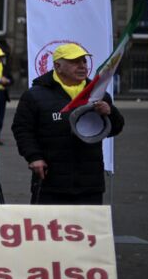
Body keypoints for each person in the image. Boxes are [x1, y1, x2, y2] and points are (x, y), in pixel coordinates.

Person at [12, 43, 124, 204]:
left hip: (90, 184)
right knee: (49, 228)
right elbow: (22, 130)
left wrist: (110, 113)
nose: (82, 66)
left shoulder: (98, 94)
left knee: (87, 229)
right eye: (75, 62)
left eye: (84, 61)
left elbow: (115, 128)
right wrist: (34, 157)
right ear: (58, 66)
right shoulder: (34, 96)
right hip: (50, 182)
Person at [0, 46, 12, 144]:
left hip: (2, 94)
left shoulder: (5, 67)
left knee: (0, 117)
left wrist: (7, 81)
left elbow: (12, 79)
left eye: (1, 56)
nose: (0, 58)